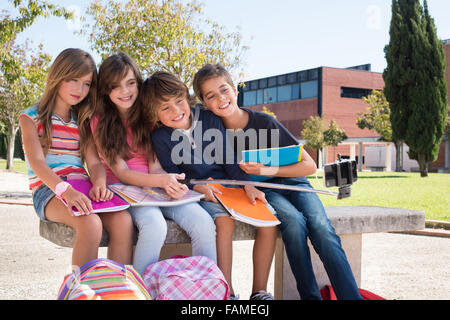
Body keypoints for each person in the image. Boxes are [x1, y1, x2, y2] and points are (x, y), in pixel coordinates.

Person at [192, 63, 363, 300]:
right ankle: (309, 297)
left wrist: (265, 168)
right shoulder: (210, 131)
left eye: (224, 90)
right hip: (265, 190)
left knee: (321, 227)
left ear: (235, 89)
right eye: (211, 96)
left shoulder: (264, 122)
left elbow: (309, 164)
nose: (220, 98)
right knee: (293, 222)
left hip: (296, 183)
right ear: (204, 103)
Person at [145, 71, 277, 300]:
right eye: (165, 108)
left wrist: (248, 186)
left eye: (178, 102)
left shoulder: (210, 120)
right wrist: (197, 187)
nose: (176, 112)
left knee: (269, 222)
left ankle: (259, 292)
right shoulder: (160, 137)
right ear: (154, 113)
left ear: (187, 98)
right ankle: (227, 292)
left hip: (232, 185)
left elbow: (229, 160)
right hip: (205, 193)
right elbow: (174, 174)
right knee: (223, 221)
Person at [91, 53, 216, 276]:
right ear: (105, 90)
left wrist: (170, 185)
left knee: (203, 222)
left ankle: (205, 288)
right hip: (123, 190)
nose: (125, 91)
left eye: (130, 83)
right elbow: (122, 173)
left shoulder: (147, 115)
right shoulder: (99, 122)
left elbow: (156, 166)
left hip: (154, 187)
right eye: (116, 86)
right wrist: (160, 180)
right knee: (154, 225)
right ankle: (141, 289)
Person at [19, 48, 133, 269]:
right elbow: (38, 163)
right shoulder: (30, 118)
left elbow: (94, 163)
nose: (80, 89)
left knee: (123, 220)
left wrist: (99, 184)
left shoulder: (82, 121)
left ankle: (118, 288)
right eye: (73, 80)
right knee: (90, 223)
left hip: (81, 186)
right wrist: (65, 190)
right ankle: (80, 289)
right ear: (58, 76)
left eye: (87, 83)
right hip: (49, 190)